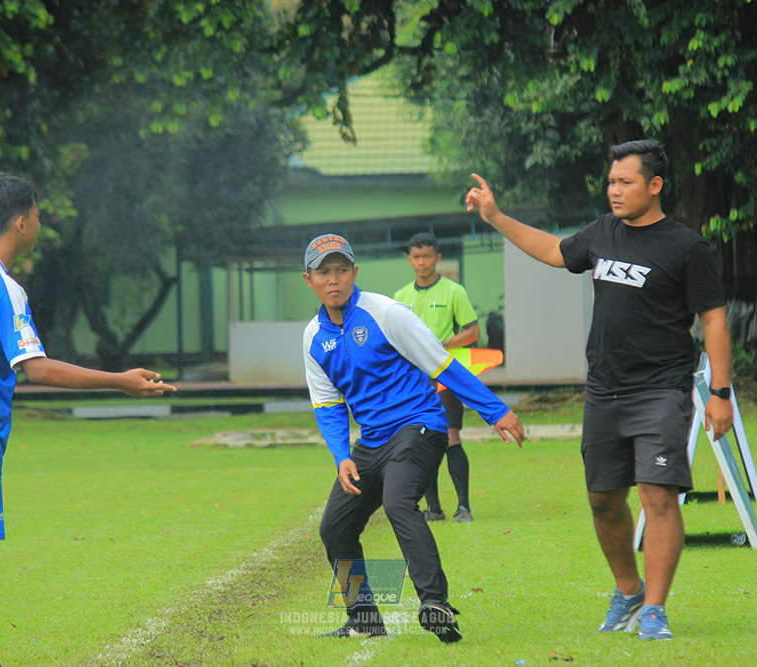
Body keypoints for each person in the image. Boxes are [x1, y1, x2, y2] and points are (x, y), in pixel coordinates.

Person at [0, 172, 176, 667]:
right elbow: (36, 368)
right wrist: (121, 380)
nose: (42, 222)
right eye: (40, 215)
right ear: (22, 221)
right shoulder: (2, 287)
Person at [465, 140, 733, 641]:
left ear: (654, 186)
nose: (614, 190)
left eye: (625, 182)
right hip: (605, 390)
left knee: (658, 495)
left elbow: (714, 319)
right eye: (611, 181)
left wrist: (720, 391)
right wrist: (496, 216)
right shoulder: (602, 233)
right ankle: (628, 591)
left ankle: (654, 609)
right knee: (602, 500)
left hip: (661, 389)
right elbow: (551, 250)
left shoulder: (686, 247)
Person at [301, 233, 525, 643]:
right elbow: (328, 406)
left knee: (397, 502)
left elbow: (443, 366)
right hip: (370, 443)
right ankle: (364, 618)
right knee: (334, 527)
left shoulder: (387, 313)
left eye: (341, 270)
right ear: (309, 280)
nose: (333, 279)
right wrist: (341, 456)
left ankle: (435, 603)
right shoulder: (313, 337)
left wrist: (496, 411)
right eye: (323, 272)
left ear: (354, 273)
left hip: (419, 426)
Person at [393, 233, 480, 523]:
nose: (421, 262)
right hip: (414, 381)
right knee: (422, 440)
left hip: (445, 376)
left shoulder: (455, 292)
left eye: (427, 256)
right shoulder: (400, 298)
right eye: (416, 257)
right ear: (409, 260)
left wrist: (443, 346)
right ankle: (434, 508)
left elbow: (473, 332)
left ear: (437, 259)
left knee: (451, 438)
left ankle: (463, 507)